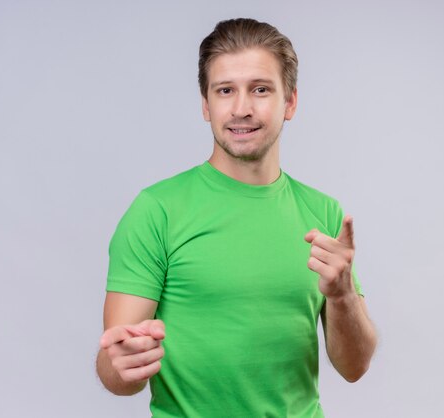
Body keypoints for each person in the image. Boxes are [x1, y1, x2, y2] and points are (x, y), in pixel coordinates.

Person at [96, 18, 377, 417]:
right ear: (206, 105)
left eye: (260, 90)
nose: (241, 108)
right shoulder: (156, 211)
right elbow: (116, 370)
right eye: (225, 90)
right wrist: (122, 363)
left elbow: (355, 367)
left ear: (290, 102)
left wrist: (344, 295)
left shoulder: (324, 214)